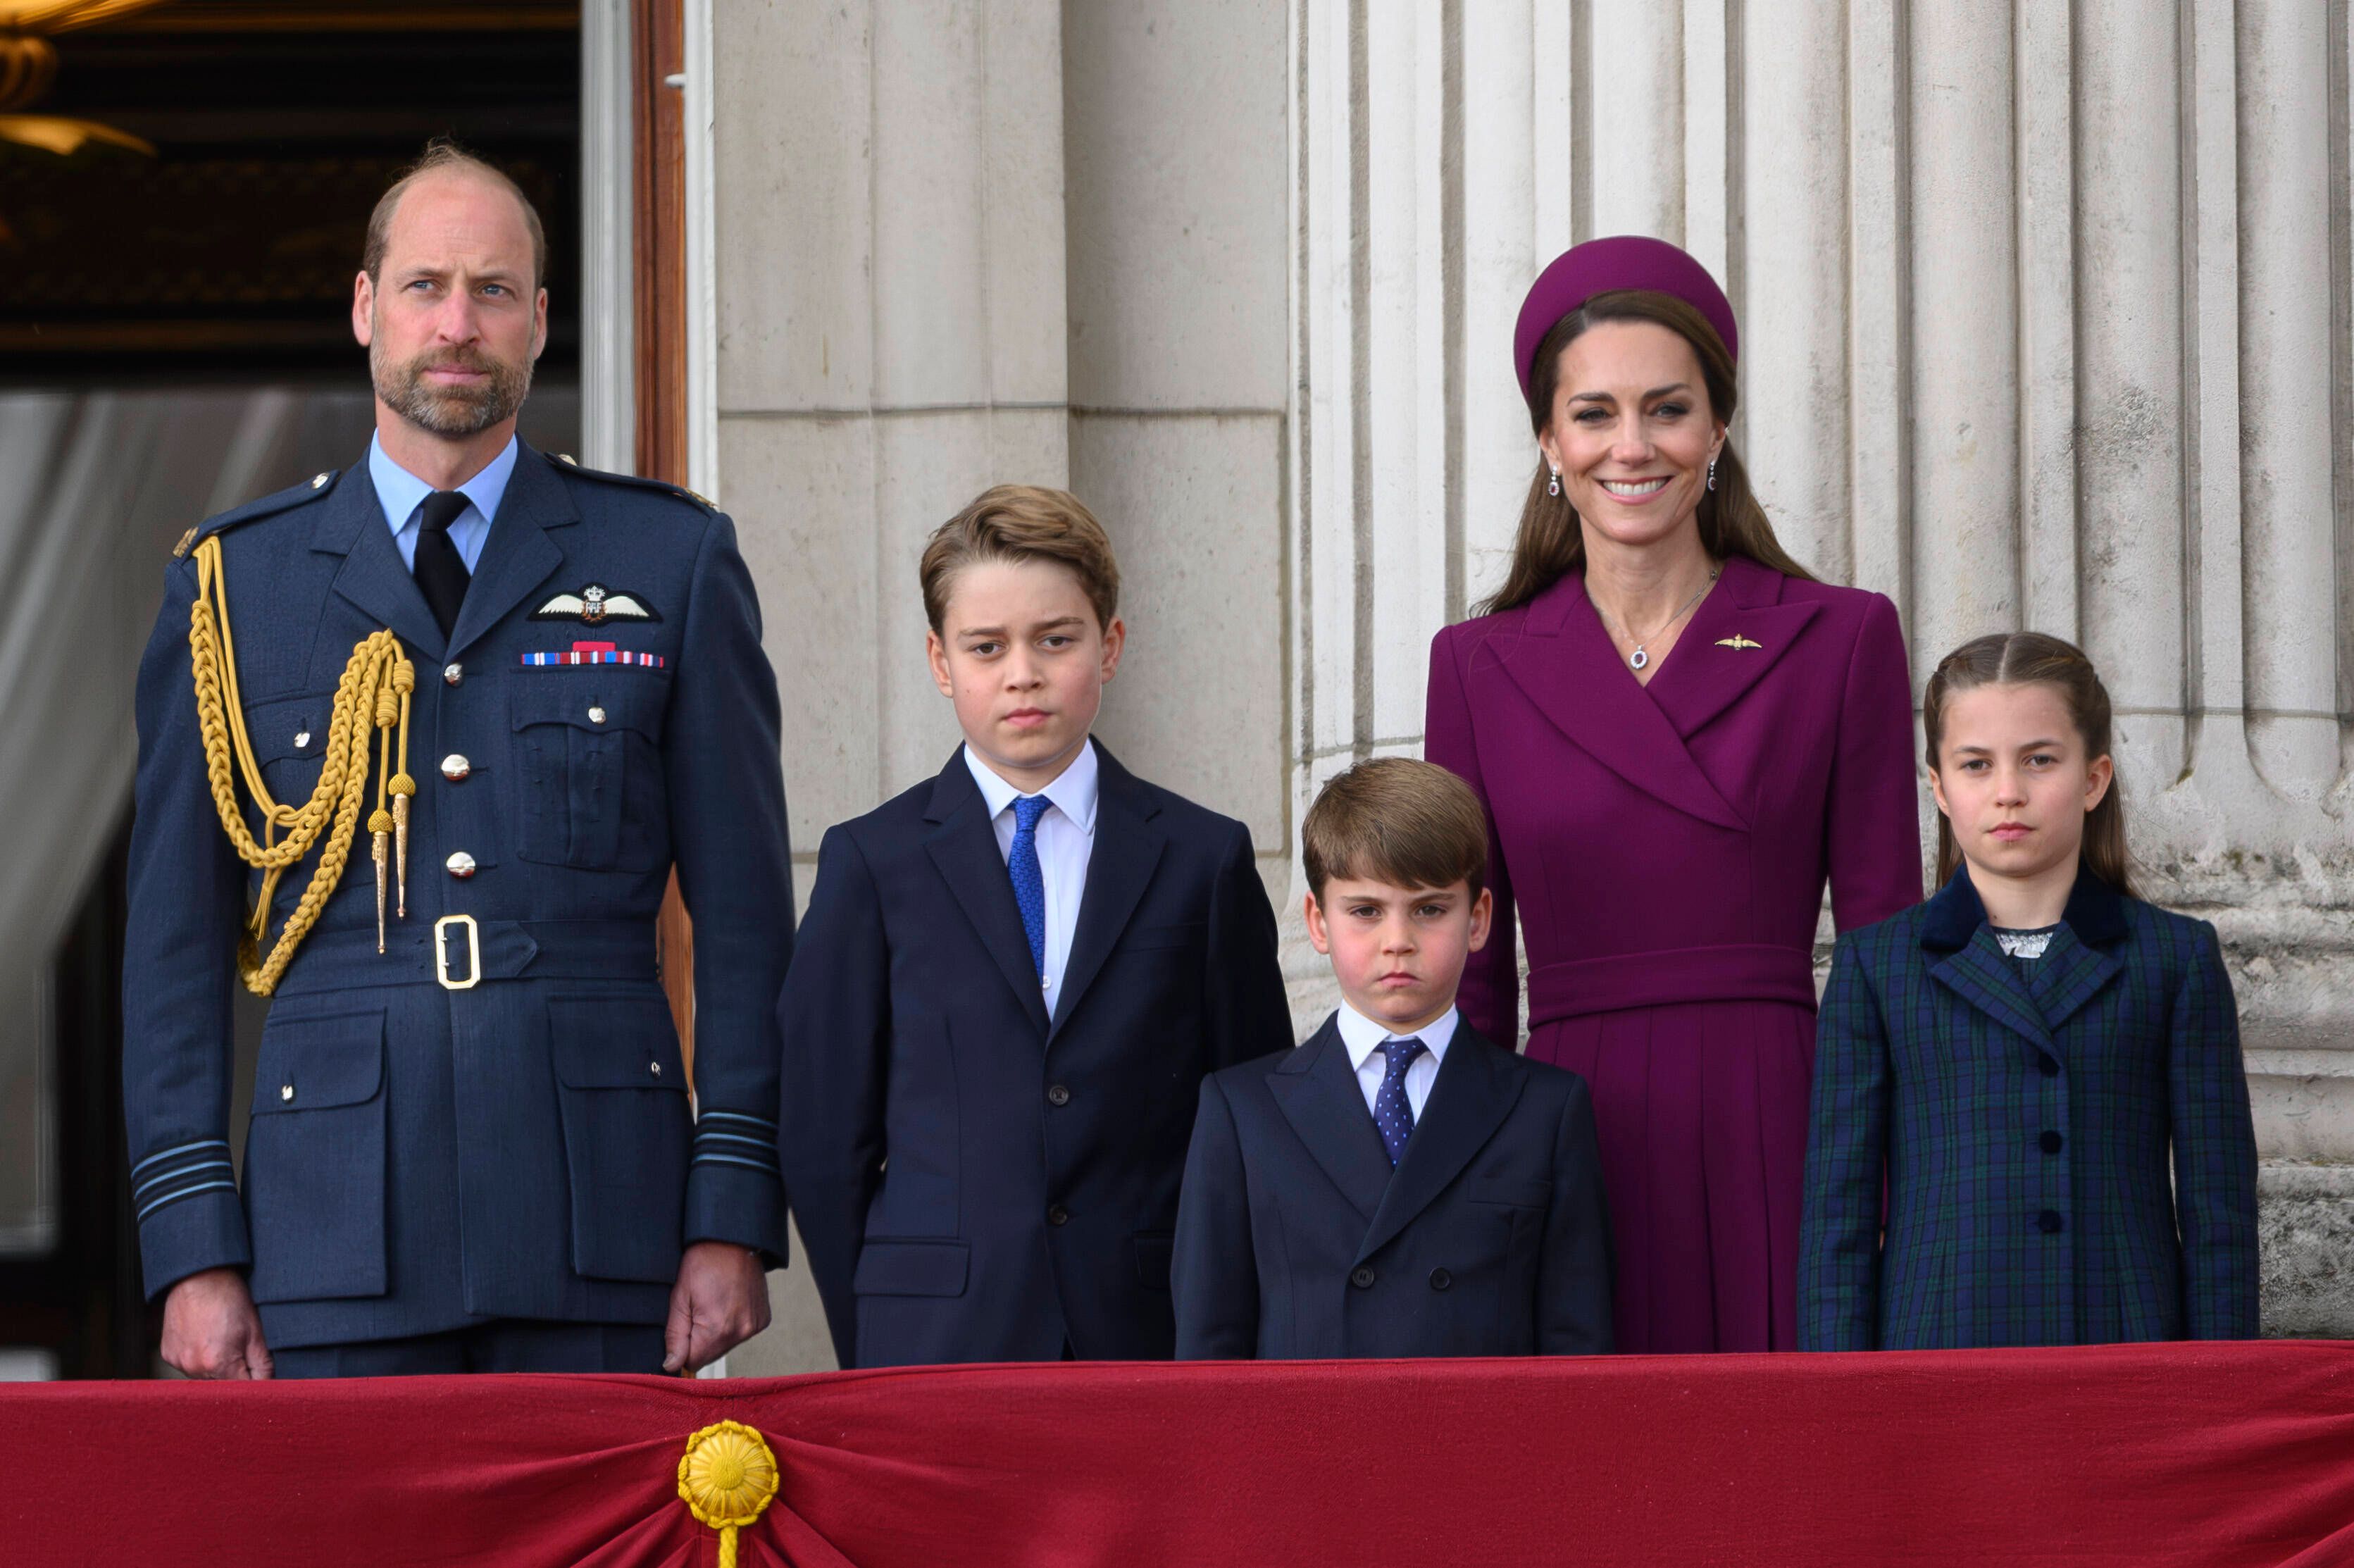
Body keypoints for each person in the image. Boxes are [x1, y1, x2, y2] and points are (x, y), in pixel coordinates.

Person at [123, 142, 794, 1379]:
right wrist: (191, 1247)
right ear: (365, 308)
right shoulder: (235, 586)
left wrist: (731, 1211)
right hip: (326, 1234)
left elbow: (748, 922)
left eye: (493, 290)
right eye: (425, 284)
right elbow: (171, 948)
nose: (457, 322)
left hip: (605, 1220)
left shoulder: (670, 562)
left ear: (539, 324)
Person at [1423, 235, 1923, 1354]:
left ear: (1718, 427)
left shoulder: (1838, 637)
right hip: (1560, 1125)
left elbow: (1888, 949)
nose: (1631, 446)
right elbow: (1470, 964)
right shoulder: (1475, 662)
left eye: (1667, 408)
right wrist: (1467, 1179)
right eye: (1593, 414)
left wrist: (1890, 1179)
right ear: (1549, 441)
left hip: (1779, 1119)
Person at [776, 484, 1293, 1368]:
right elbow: (823, 1134)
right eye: (988, 647)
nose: (1023, 672)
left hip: (1147, 1335)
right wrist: (880, 1324)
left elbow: (1248, 1117)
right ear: (942, 663)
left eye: (1056, 640)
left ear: (1111, 645)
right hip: (932, 1340)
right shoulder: (872, 862)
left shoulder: (1204, 861)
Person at [1798, 633, 2258, 1349]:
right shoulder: (1877, 966)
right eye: (1976, 765)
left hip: (2125, 1348)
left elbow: (2218, 1213)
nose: (2008, 790)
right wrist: (1838, 1406)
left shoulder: (2174, 958)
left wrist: (2223, 1394)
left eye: (2039, 760)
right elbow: (1839, 1220)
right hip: (1937, 1346)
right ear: (1940, 788)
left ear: (2095, 777)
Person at [1171, 758, 1614, 1359]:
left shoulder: (1546, 1109)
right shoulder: (1242, 1111)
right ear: (1317, 922)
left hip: (1483, 1447)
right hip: (1304, 1448)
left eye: (1430, 909)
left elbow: (1576, 1347)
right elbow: (1209, 1348)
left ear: (1479, 918)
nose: (1398, 939)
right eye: (1366, 911)